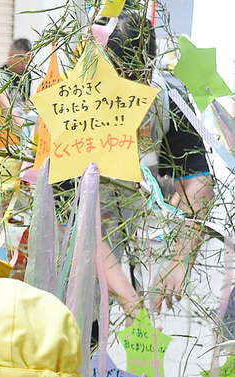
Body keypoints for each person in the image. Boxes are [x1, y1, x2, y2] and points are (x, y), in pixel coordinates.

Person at [100, 9, 214, 314]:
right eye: (121, 75)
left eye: (139, 77)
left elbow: (199, 182)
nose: (129, 87)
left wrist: (180, 259)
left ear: (150, 67)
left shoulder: (167, 99)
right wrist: (130, 301)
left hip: (136, 233)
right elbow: (78, 225)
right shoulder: (79, 105)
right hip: (82, 245)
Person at [0, 38, 34, 117]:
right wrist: (22, 126)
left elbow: (27, 101)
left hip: (22, 119)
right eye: (22, 60)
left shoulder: (25, 75)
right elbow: (7, 108)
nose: (24, 64)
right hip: (3, 122)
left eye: (27, 60)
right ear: (11, 55)